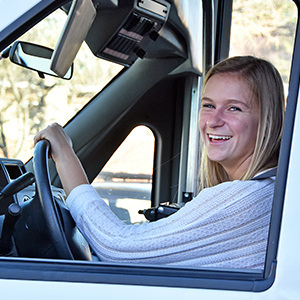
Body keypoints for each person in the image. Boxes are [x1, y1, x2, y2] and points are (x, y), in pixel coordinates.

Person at [34, 56, 285, 269]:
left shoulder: (248, 199)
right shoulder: (269, 190)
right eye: (208, 105)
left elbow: (119, 248)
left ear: (267, 120)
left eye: (234, 109)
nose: (213, 121)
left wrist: (65, 155)